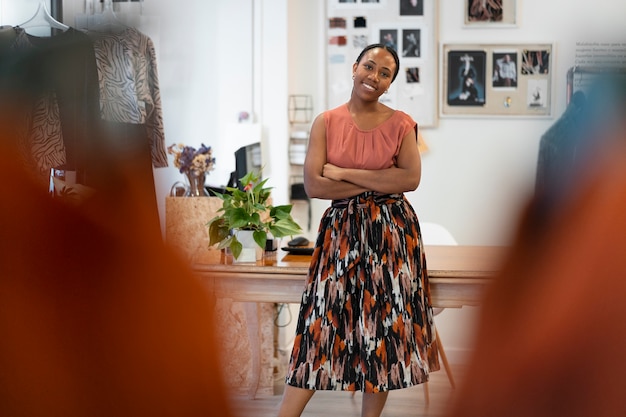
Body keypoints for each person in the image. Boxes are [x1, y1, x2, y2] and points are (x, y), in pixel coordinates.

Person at [277, 43, 439, 417]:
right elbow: (316, 186)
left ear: (389, 84)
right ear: (355, 67)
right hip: (340, 235)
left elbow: (410, 179)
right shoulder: (327, 122)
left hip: (392, 237)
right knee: (319, 327)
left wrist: (344, 172)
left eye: (385, 74)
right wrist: (382, 181)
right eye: (370, 66)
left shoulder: (402, 124)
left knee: (379, 333)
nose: (375, 76)